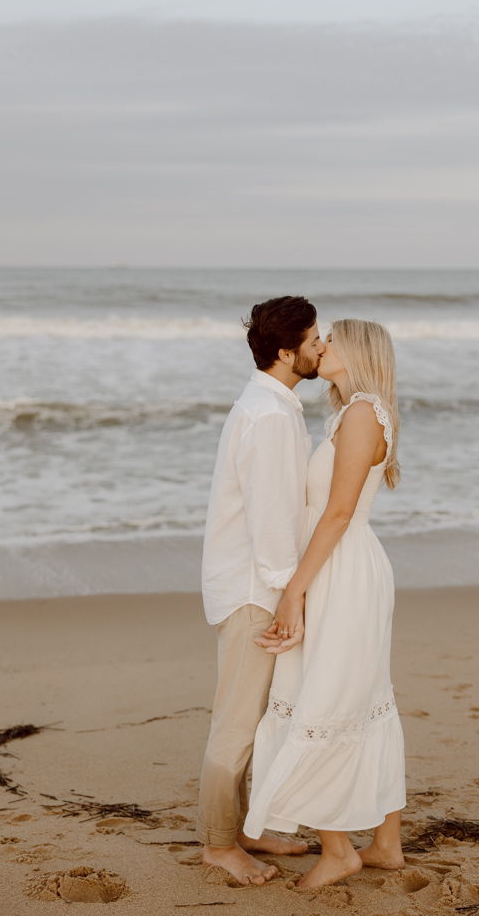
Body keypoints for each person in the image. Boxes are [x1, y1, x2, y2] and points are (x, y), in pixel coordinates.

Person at [245, 318, 406, 888]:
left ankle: (339, 851)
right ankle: (386, 842)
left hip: (340, 568)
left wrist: (294, 592)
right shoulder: (352, 411)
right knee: (364, 699)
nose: (322, 346)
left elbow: (336, 514)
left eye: (332, 338)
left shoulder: (362, 413)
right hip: (342, 564)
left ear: (358, 352)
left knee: (323, 696)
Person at [195, 295, 326, 886]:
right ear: (285, 351)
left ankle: (247, 829)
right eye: (314, 339)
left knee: (252, 716)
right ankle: (220, 844)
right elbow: (271, 523)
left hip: (247, 582)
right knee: (238, 723)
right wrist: (286, 597)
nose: (321, 347)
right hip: (255, 590)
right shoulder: (271, 415)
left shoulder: (270, 403)